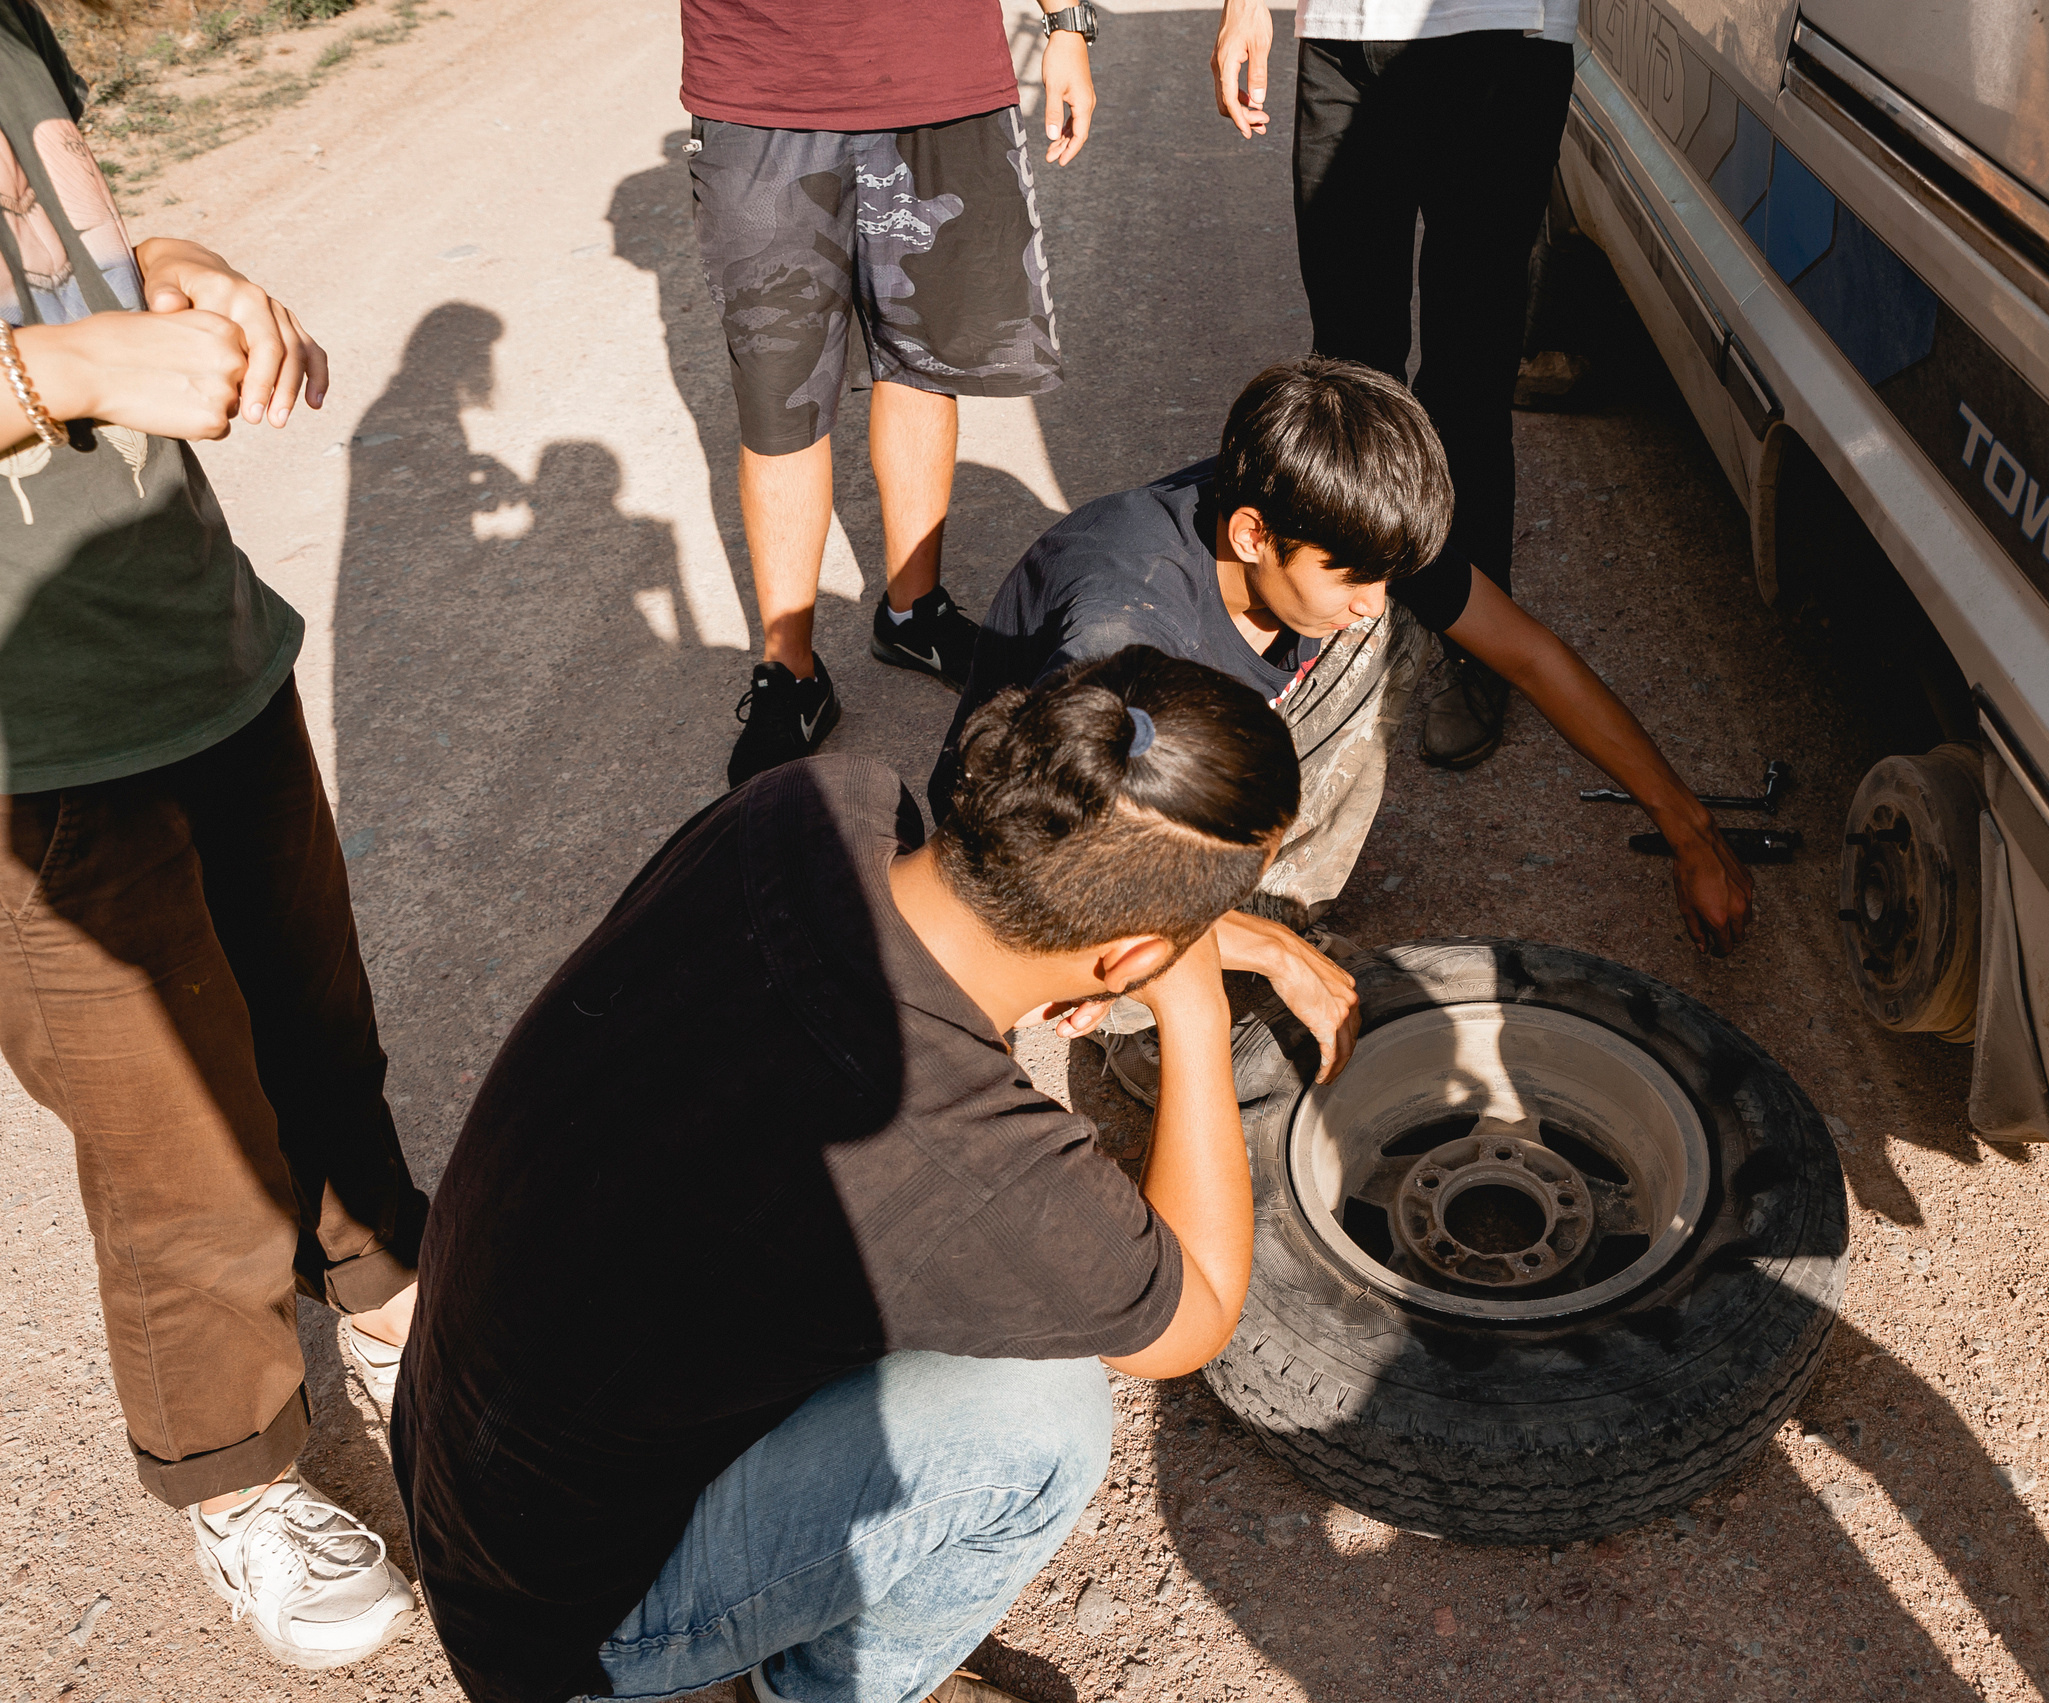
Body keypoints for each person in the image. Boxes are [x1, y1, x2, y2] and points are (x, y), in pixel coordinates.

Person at [392, 649, 1291, 1703]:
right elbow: (1198, 1313)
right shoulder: (961, 1151)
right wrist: (1196, 1005)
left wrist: (1132, 949)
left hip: (465, 1448)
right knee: (1045, 1421)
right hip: (571, 1623)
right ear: (1128, 958)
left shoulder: (812, 801)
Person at [0, 0, 425, 1671]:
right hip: (31, 739)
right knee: (179, 1144)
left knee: (319, 1030)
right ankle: (231, 1470)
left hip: (192, 633)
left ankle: (388, 1302)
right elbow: (44, 340)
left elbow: (59, 241)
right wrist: (55, 374)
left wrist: (170, 264)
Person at [929, 357, 1752, 1103]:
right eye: (1355, 577)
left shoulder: (1333, 521)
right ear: (1253, 534)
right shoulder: (1125, 635)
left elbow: (1531, 657)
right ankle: (1145, 1007)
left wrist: (1690, 828)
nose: (1373, 596)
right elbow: (1057, 873)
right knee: (1153, 998)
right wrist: (1273, 959)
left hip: (1151, 779)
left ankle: (1273, 906)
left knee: (1395, 632)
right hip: (1052, 841)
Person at [686, 0, 1104, 787]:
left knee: (924, 357)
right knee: (781, 394)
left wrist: (1066, 23)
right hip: (760, 82)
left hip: (935, 72)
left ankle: (915, 613)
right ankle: (792, 668)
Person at [1211, 0, 1578, 768]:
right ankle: (1345, 624)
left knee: (1467, 378)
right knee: (1347, 373)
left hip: (1497, 35)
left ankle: (1474, 646)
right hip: (1343, 35)